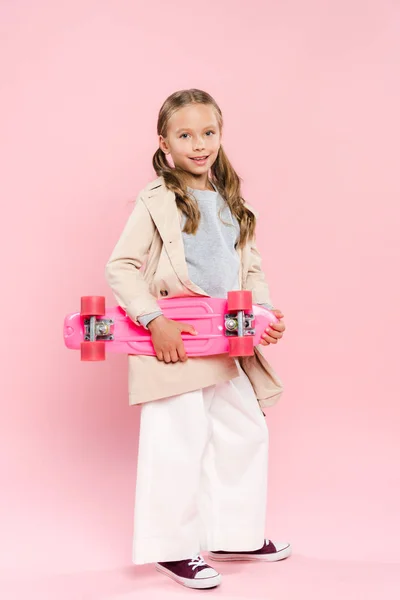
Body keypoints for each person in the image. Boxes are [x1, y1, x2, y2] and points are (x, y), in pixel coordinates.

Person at [105, 89, 291, 590]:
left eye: (208, 132)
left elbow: (249, 268)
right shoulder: (156, 200)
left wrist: (263, 313)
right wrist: (151, 319)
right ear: (164, 143)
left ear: (220, 135)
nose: (199, 144)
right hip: (178, 341)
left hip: (226, 341)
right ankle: (171, 549)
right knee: (176, 441)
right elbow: (121, 266)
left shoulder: (233, 203)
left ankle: (235, 533)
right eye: (185, 135)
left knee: (244, 431)